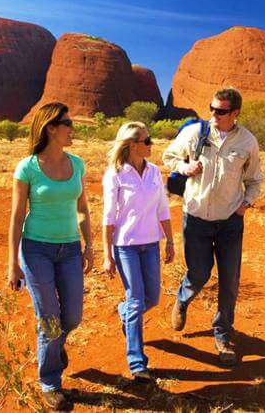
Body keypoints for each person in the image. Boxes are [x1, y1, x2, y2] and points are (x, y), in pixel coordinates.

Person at [162, 87, 262, 366]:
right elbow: (167, 156)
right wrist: (185, 168)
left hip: (230, 221)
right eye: (212, 108)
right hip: (195, 218)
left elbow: (255, 179)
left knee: (230, 281)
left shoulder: (247, 141)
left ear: (235, 113)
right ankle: (182, 300)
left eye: (220, 111)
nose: (213, 114)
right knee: (199, 274)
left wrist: (246, 204)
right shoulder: (195, 133)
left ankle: (223, 334)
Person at [7, 102, 94, 410]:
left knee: (72, 317)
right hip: (36, 249)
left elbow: (83, 208)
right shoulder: (27, 167)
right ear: (50, 128)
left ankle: (54, 349)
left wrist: (90, 245)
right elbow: (17, 216)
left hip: (69, 248)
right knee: (50, 321)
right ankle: (50, 383)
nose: (73, 128)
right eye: (67, 123)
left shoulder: (77, 164)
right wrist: (12, 264)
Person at [102, 122, 174, 383]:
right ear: (133, 145)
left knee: (151, 298)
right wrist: (107, 253)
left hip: (151, 243)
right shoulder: (116, 174)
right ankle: (137, 363)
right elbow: (108, 216)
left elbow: (163, 208)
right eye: (147, 140)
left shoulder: (154, 171)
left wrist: (170, 240)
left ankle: (125, 313)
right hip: (126, 245)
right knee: (136, 300)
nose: (151, 144)